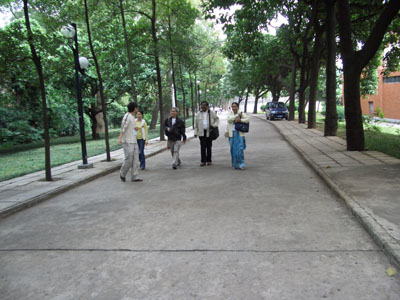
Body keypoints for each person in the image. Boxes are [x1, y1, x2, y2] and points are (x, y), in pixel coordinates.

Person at [118, 102, 142, 182]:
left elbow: (131, 127)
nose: (137, 109)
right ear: (134, 108)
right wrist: (120, 138)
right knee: (129, 159)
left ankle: (134, 176)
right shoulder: (127, 116)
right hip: (127, 141)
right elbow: (123, 128)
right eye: (137, 108)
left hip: (134, 141)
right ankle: (122, 173)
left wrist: (135, 129)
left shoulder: (132, 117)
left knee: (136, 159)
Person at [194, 100, 219, 166]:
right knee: (202, 147)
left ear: (207, 106)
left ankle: (209, 160)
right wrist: (195, 132)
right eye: (202, 105)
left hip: (209, 132)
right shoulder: (198, 114)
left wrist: (214, 125)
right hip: (201, 132)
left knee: (209, 146)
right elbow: (196, 124)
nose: (203, 107)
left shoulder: (211, 113)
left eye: (204, 105)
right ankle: (203, 161)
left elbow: (217, 119)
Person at [225, 102, 249, 170]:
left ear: (238, 107)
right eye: (233, 106)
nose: (234, 108)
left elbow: (247, 120)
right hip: (231, 134)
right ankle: (235, 164)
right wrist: (236, 116)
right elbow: (229, 120)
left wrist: (240, 120)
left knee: (240, 149)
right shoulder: (230, 113)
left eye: (235, 106)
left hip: (239, 133)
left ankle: (241, 164)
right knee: (233, 150)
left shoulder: (241, 113)